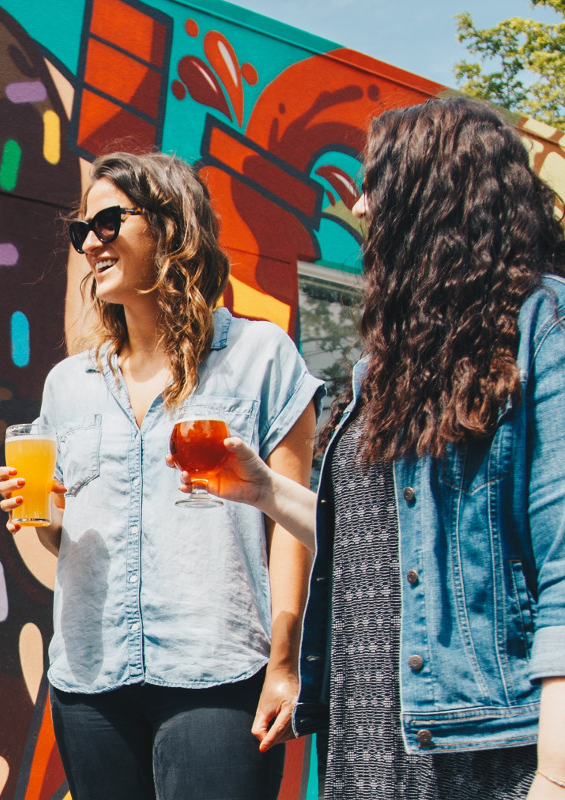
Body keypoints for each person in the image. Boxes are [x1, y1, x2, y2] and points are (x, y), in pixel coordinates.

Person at [174, 97, 565, 799]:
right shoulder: (383, 367)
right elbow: (374, 544)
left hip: (483, 742)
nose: (359, 206)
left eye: (375, 184)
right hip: (369, 725)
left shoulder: (541, 326)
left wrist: (558, 774)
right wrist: (264, 489)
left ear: (433, 194)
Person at [0, 151, 324, 799]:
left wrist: (285, 663)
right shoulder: (68, 385)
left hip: (219, 675)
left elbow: (295, 525)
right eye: (81, 230)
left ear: (172, 226)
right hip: (90, 683)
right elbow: (65, 540)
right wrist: (47, 520)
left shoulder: (260, 357)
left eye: (109, 221)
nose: (91, 242)